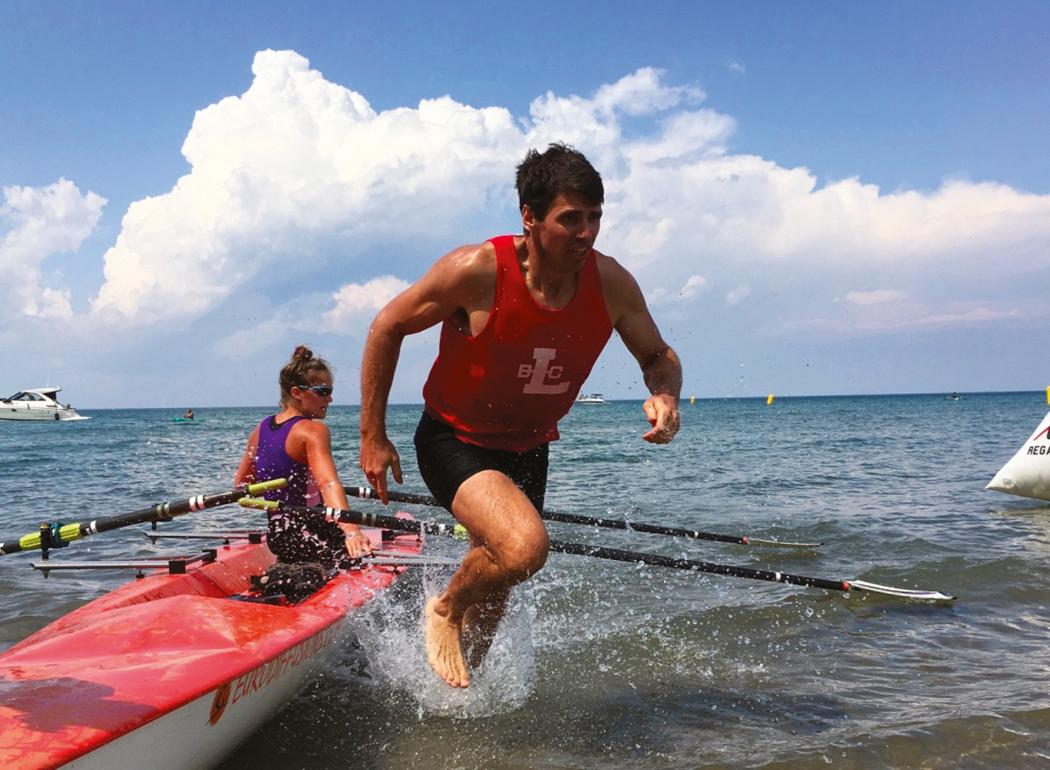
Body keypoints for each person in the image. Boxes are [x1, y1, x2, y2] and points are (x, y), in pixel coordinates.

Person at [359, 143, 681, 688]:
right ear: (529, 217)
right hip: (452, 438)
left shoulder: (612, 284)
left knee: (498, 585)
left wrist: (666, 394)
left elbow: (657, 355)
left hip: (529, 447)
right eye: (570, 219)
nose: (586, 233)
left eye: (595, 218)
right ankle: (443, 607)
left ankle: (454, 710)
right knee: (524, 548)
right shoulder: (477, 271)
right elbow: (387, 326)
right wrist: (373, 434)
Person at [236, 346, 372, 567]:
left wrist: (277, 497)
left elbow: (242, 485)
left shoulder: (259, 431)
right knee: (365, 555)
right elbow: (328, 483)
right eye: (323, 391)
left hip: (279, 537)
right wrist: (351, 530)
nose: (330, 399)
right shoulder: (312, 431)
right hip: (314, 535)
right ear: (297, 393)